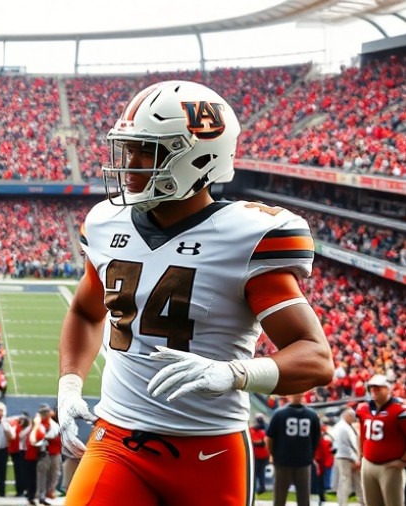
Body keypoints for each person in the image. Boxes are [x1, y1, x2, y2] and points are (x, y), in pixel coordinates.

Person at [56, 80, 334, 506]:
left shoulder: (249, 235)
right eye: (127, 149)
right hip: (117, 440)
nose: (129, 164)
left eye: (146, 151)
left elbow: (315, 357)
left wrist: (236, 374)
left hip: (210, 450)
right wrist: (70, 383)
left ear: (198, 157)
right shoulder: (105, 221)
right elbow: (86, 312)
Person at [356, 374, 406, 506]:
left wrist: (403, 461)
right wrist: (360, 455)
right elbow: (361, 434)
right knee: (371, 503)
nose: (374, 390)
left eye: (378, 387)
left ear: (388, 389)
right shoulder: (364, 408)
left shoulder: (399, 410)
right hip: (368, 464)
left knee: (393, 503)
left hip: (389, 466)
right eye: (371, 387)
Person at [266, 393, 321, 506]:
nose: (298, 395)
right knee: (280, 498)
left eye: (300, 392)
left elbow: (316, 438)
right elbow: (269, 437)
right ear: (289, 395)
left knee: (303, 498)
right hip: (284, 461)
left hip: (301, 462)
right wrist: (272, 454)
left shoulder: (310, 415)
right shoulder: (280, 414)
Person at [332, 407, 363, 506]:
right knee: (345, 482)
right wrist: (355, 459)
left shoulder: (347, 426)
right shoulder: (341, 427)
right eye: (352, 416)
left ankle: (363, 502)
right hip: (345, 458)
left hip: (350, 457)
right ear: (347, 416)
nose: (354, 419)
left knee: (358, 482)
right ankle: (342, 503)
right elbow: (344, 446)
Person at [250, 414, 270, 495]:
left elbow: (256, 442)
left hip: (259, 455)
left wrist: (261, 442)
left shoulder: (255, 430)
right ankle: (261, 487)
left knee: (255, 472)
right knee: (260, 472)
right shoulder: (264, 430)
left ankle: (256, 488)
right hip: (263, 454)